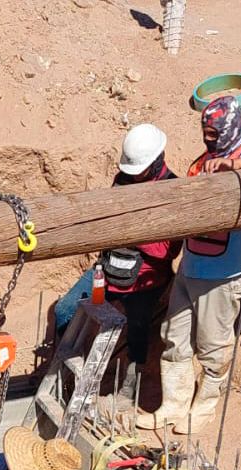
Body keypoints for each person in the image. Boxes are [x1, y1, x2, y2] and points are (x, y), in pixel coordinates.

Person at [136, 96, 241, 434]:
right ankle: (173, 406)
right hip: (192, 266)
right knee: (175, 338)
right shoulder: (206, 159)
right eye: (206, 132)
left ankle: (205, 408)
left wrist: (238, 165)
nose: (209, 139)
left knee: (213, 343)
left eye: (214, 133)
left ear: (232, 126)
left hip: (224, 272)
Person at [51, 124, 182, 398]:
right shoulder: (122, 180)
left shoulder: (172, 189)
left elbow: (166, 251)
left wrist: (128, 231)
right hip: (109, 267)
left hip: (146, 278)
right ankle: (60, 372)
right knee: (64, 310)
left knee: (137, 323)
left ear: (157, 160)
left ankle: (131, 380)